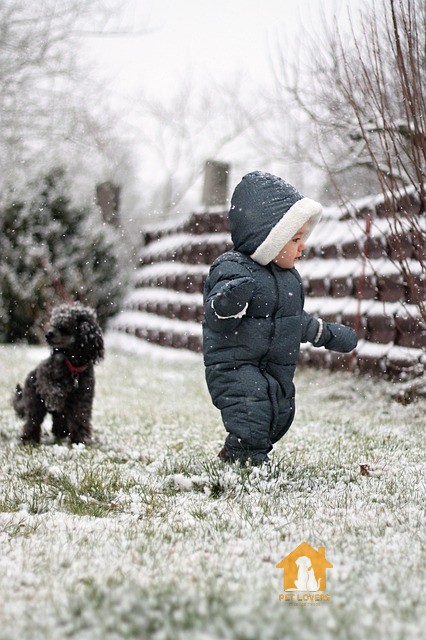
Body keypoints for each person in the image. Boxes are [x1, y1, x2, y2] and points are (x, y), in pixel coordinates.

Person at [202, 171, 358, 465]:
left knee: (279, 411)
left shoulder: (288, 280)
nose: (303, 247)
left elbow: (292, 321)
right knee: (251, 411)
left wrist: (325, 333)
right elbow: (217, 317)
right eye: (295, 238)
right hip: (235, 364)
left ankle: (237, 452)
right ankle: (248, 462)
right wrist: (231, 300)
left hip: (273, 365)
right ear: (268, 239)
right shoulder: (232, 269)